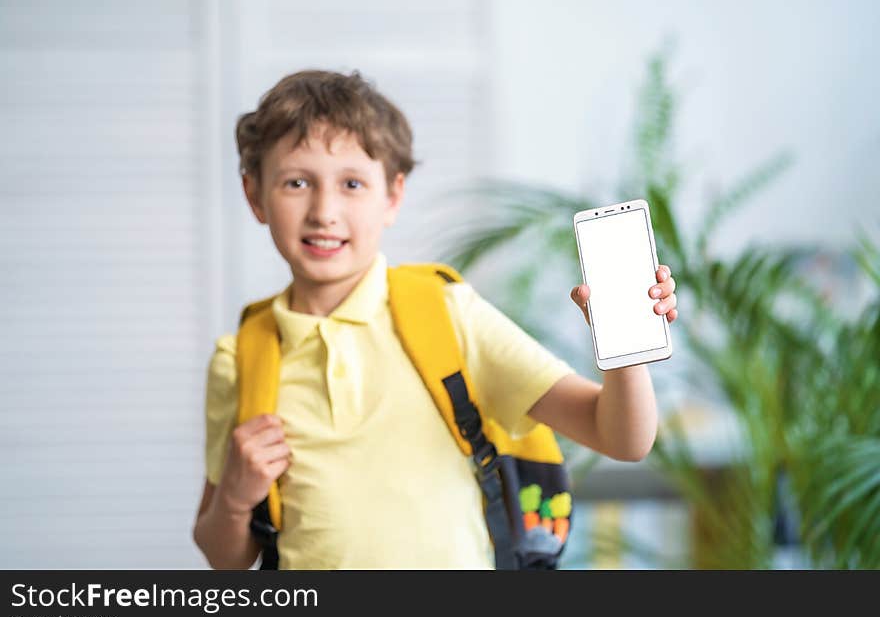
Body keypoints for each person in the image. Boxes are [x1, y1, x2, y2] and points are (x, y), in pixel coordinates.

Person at [191, 70, 679, 569]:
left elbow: (622, 438)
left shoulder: (447, 315)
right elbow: (224, 558)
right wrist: (234, 495)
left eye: (352, 183)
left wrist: (624, 349)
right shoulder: (241, 359)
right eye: (296, 182)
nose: (324, 211)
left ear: (393, 197)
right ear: (255, 195)